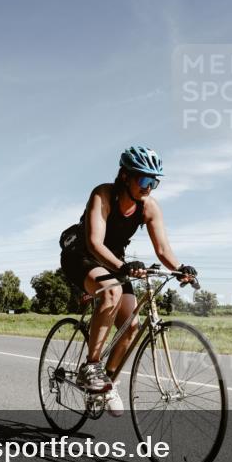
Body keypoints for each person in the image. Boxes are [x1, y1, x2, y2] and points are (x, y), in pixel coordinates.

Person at [59, 146, 197, 417]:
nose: (149, 187)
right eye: (145, 180)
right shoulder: (103, 194)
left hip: (117, 261)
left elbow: (162, 250)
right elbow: (95, 243)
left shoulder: (149, 207)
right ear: (125, 176)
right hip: (82, 255)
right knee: (110, 293)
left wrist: (180, 267)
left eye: (154, 182)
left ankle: (106, 384)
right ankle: (91, 366)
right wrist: (124, 267)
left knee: (131, 326)